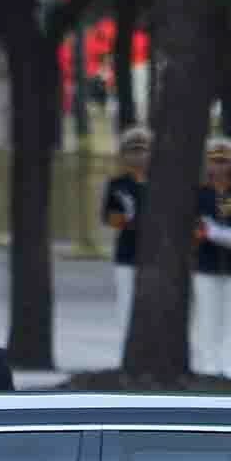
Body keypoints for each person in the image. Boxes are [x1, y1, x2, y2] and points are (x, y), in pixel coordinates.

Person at [191, 137, 231, 376]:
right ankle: (208, 362)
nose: (219, 166)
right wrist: (204, 233)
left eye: (224, 161)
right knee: (207, 315)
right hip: (206, 261)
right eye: (214, 161)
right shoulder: (199, 194)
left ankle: (229, 362)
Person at [103, 127, 150, 338]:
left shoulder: (159, 184)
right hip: (127, 250)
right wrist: (125, 218)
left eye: (143, 150)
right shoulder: (118, 184)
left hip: (154, 253)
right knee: (126, 302)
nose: (138, 156)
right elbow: (109, 217)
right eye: (132, 151)